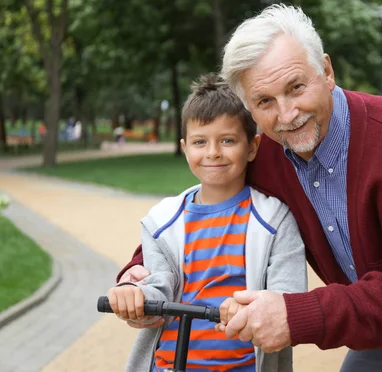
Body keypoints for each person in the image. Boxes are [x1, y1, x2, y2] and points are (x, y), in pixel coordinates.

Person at [118, 4, 382, 372]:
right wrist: (141, 270)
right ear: (250, 109)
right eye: (265, 102)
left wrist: (296, 315)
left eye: (296, 87)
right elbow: (207, 200)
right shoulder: (266, 153)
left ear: (326, 71)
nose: (287, 115)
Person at [108, 73, 307, 372]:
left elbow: (287, 297)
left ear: (252, 147)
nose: (213, 152)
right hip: (169, 365)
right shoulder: (162, 222)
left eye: (227, 140)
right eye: (200, 142)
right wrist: (134, 295)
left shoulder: (274, 220)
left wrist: (255, 308)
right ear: (185, 148)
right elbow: (159, 286)